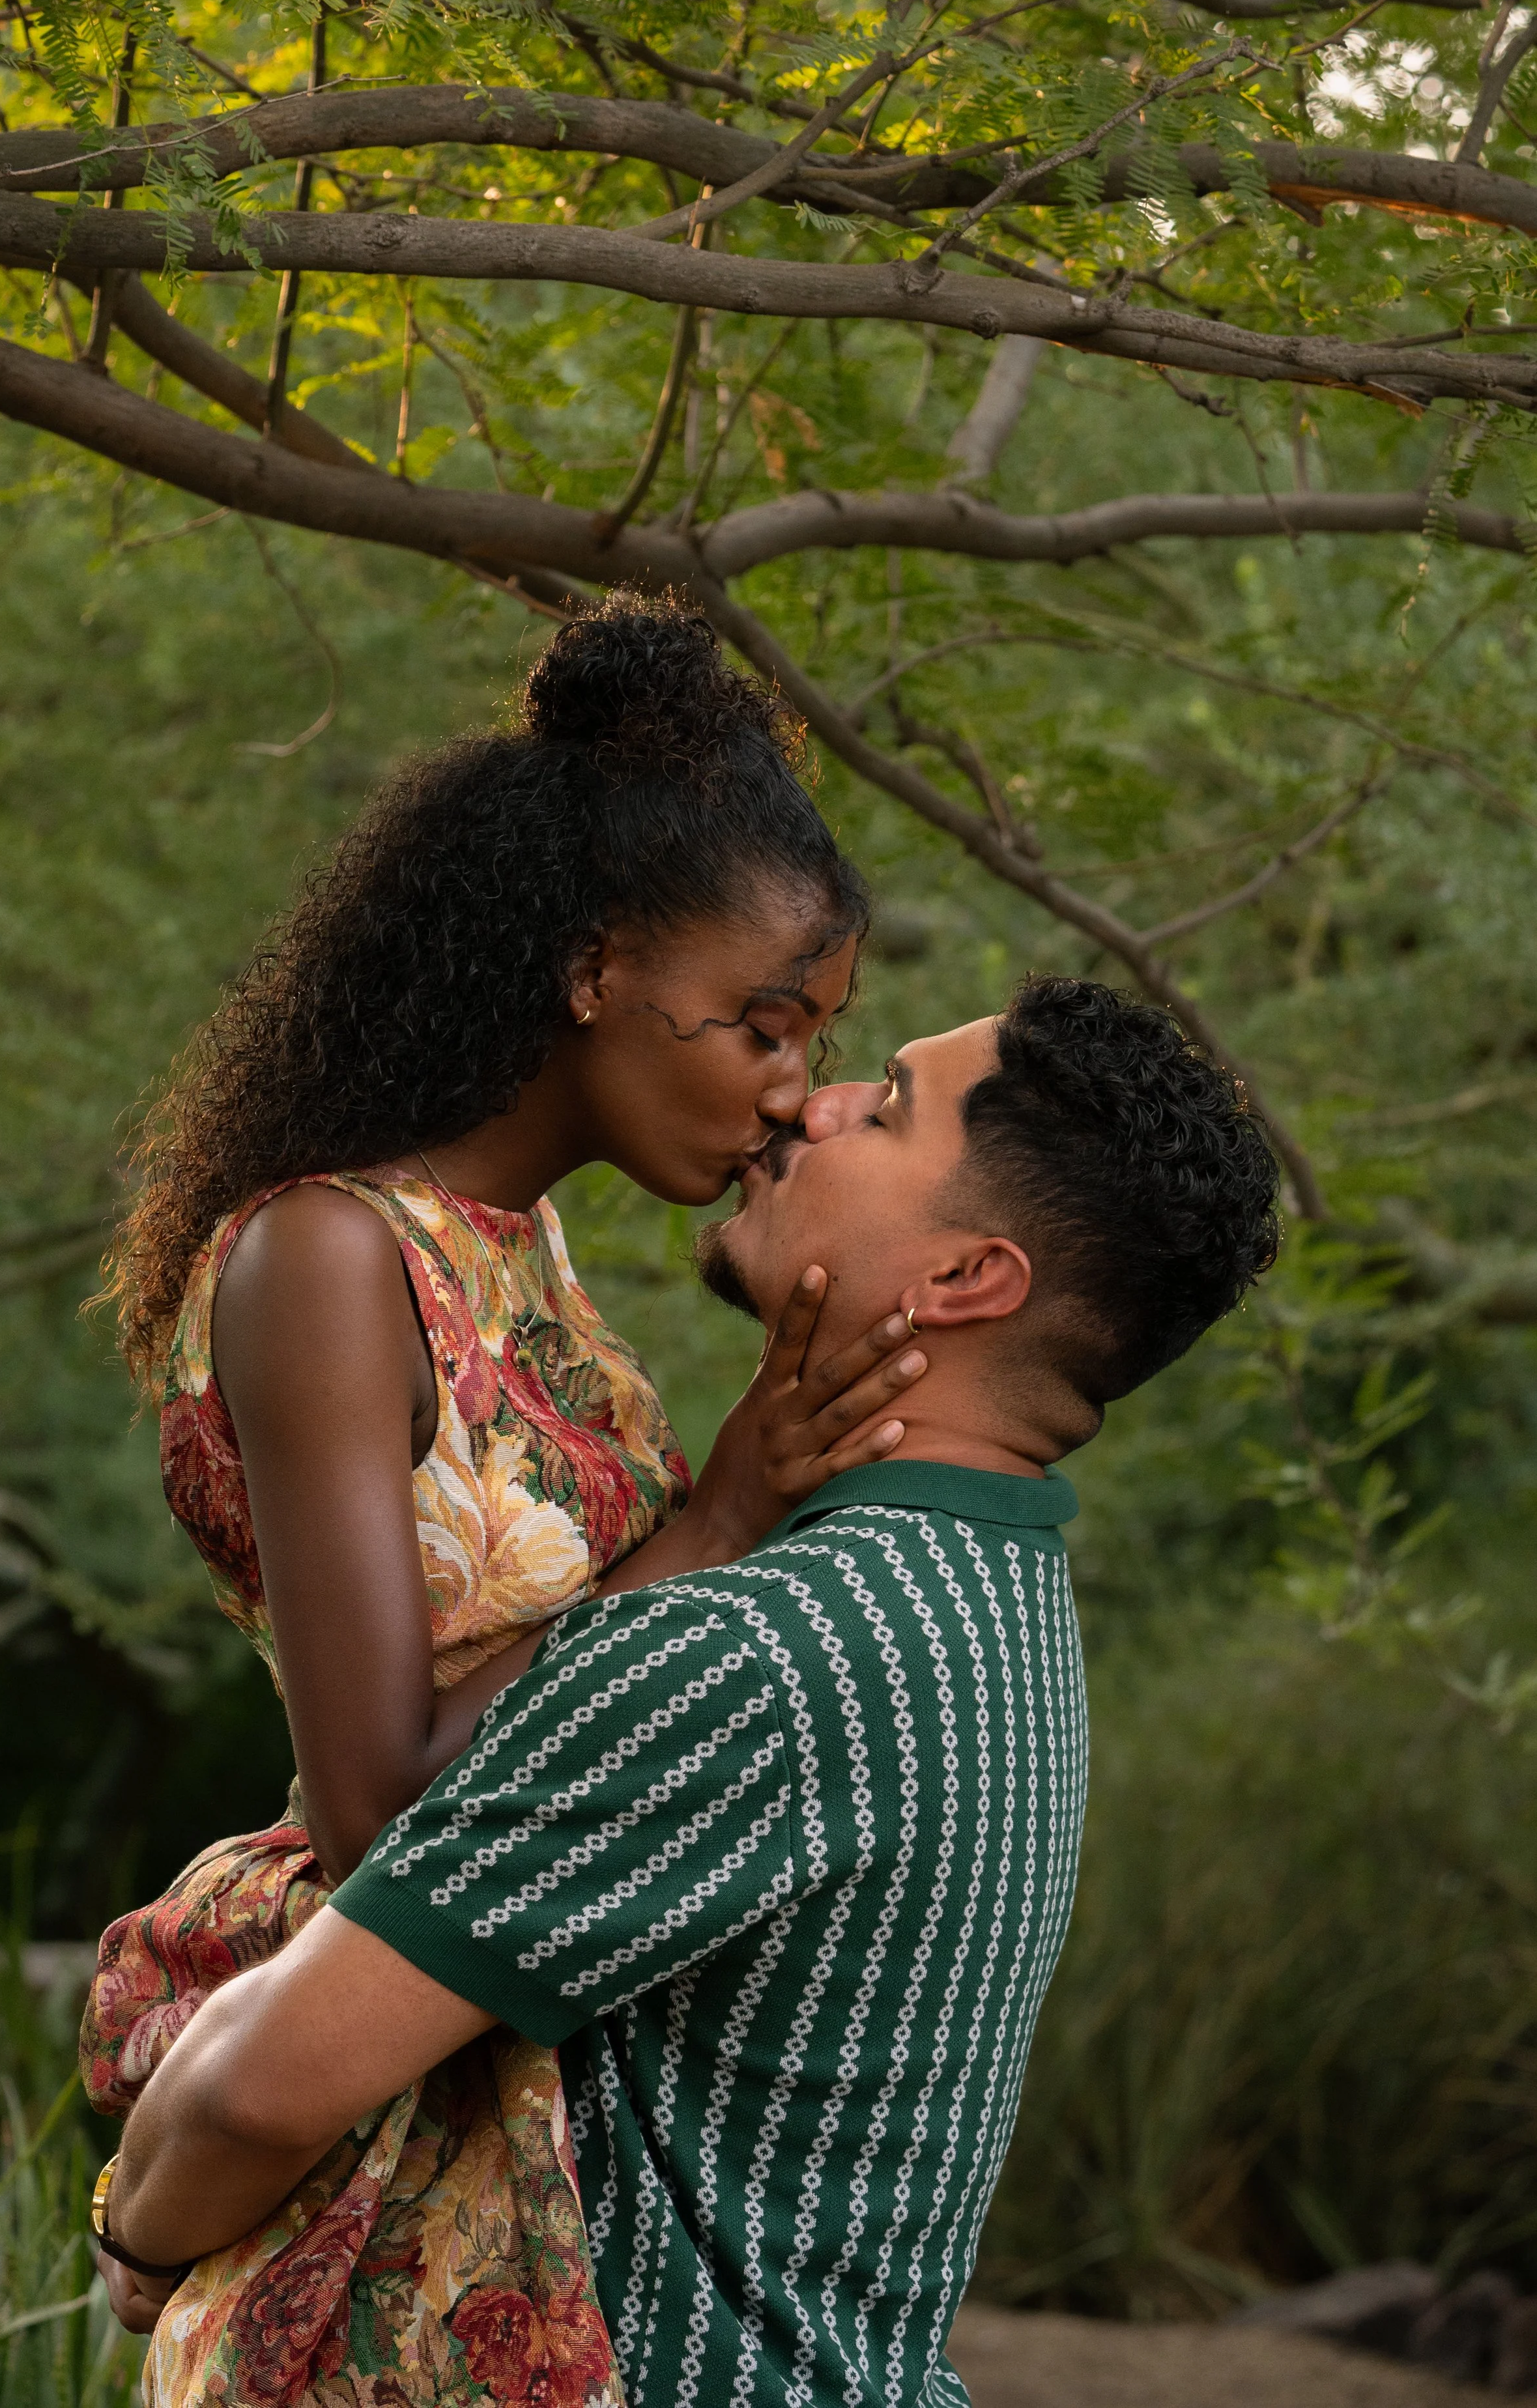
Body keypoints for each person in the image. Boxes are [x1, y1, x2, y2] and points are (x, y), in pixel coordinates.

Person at [94, 977, 1282, 2408]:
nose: (805, 1101)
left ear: (963, 1280)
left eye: (883, 1106)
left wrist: (139, 2236)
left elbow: (256, 2089)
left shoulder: (764, 1655)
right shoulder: (992, 1607)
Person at [79, 595, 927, 2408]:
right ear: (592, 967)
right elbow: (380, 1793)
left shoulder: (521, 1250)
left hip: (514, 2114)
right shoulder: (323, 1256)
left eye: (814, 1037)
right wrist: (725, 1510)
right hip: (369, 2199)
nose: (790, 1097)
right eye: (763, 1028)